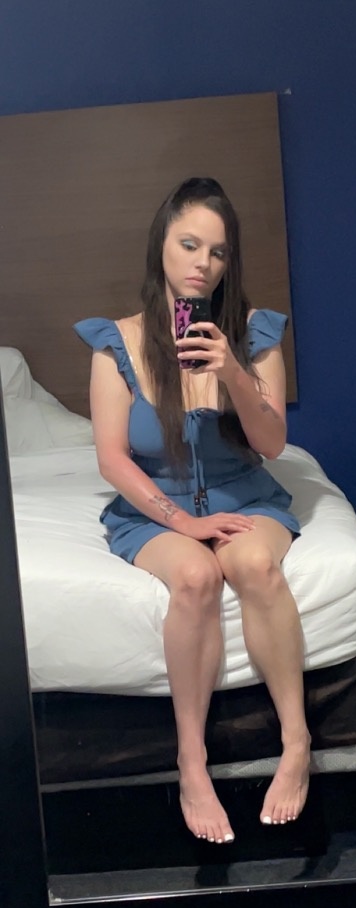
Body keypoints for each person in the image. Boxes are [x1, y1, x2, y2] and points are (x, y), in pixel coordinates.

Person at [74, 176, 310, 845]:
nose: (203, 262)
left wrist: (233, 370)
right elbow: (113, 459)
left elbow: (272, 444)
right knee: (197, 577)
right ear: (162, 246)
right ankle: (192, 761)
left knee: (256, 567)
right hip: (155, 508)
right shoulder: (116, 345)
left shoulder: (256, 333)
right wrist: (185, 525)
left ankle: (297, 742)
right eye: (189, 244)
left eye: (218, 251)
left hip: (245, 495)